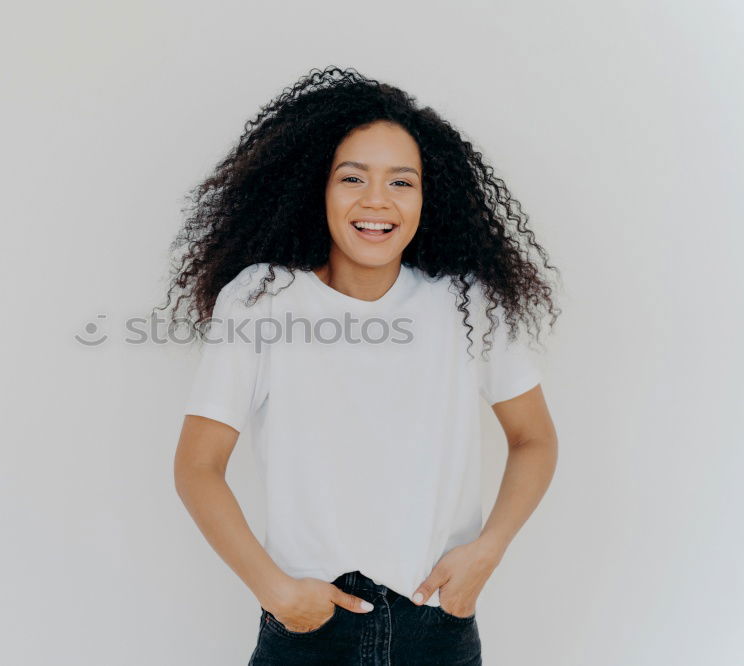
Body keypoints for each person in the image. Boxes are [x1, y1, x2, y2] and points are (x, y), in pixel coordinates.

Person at [162, 66, 560, 665]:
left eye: (402, 181)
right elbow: (198, 465)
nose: (377, 201)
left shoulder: (468, 303)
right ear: (314, 187)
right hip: (310, 629)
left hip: (439, 628)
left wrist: (489, 550)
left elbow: (533, 439)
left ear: (430, 196)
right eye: (353, 178)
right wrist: (277, 593)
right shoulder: (262, 299)